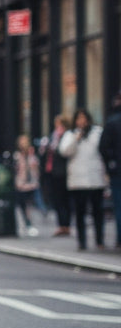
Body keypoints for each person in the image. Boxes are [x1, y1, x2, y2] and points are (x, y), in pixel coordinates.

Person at [58, 107, 107, 250]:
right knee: (80, 213)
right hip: (78, 180)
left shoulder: (97, 133)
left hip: (95, 178)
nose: (82, 121)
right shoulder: (70, 135)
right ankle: (82, 241)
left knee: (98, 211)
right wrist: (76, 138)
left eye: (84, 118)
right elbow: (64, 151)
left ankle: (99, 240)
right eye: (79, 119)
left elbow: (103, 150)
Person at [98, 92, 121, 248]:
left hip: (117, 171)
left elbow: (103, 147)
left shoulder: (112, 122)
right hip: (116, 171)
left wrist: (110, 163)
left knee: (119, 206)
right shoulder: (113, 122)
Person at [44, 114, 72, 235]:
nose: (57, 127)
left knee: (64, 199)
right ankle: (62, 224)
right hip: (53, 171)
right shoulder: (53, 136)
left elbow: (64, 152)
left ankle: (65, 225)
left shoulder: (66, 136)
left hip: (63, 172)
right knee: (57, 200)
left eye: (59, 124)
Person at [13, 134, 42, 236]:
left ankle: (31, 224)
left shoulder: (32, 155)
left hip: (32, 184)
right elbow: (16, 170)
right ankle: (27, 224)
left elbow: (36, 168)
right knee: (23, 206)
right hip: (21, 185)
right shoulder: (17, 156)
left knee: (33, 205)